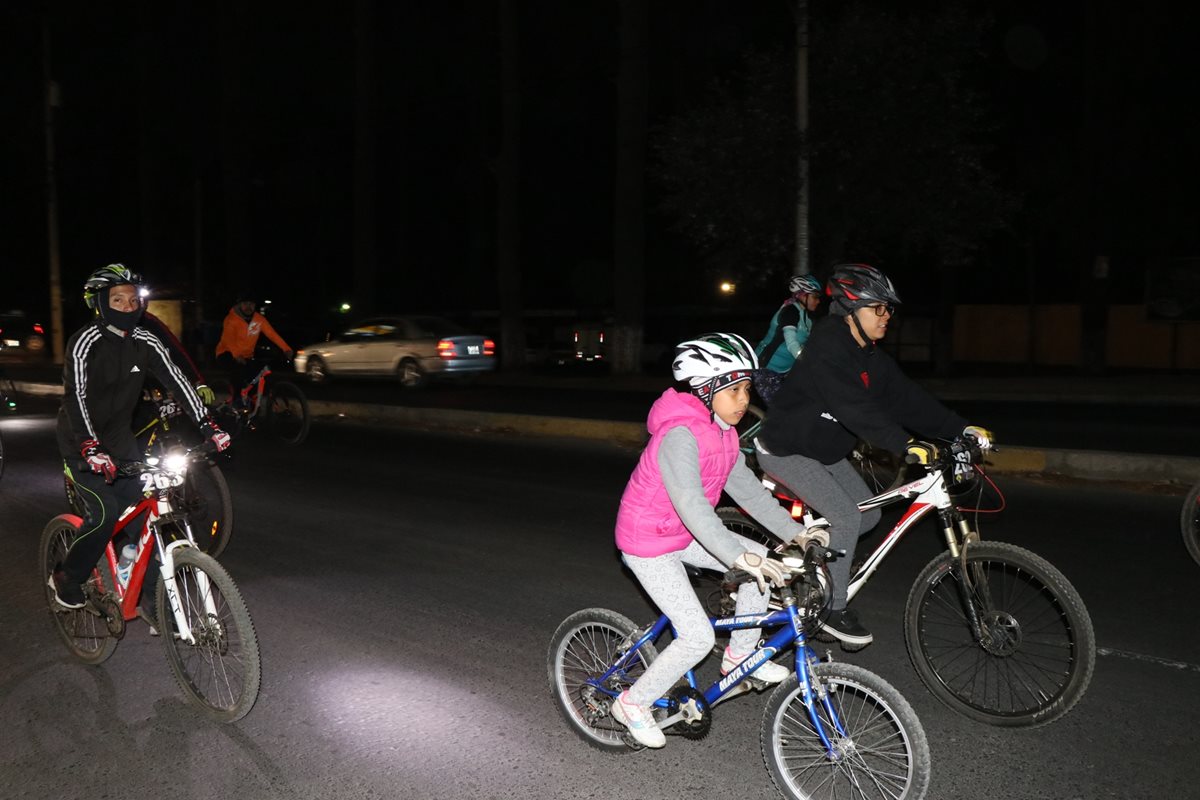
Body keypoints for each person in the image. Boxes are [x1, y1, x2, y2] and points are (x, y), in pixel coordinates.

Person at [755, 263, 992, 647]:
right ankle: (831, 609)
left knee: (869, 515)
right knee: (847, 515)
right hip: (785, 450)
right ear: (851, 311)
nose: (886, 317)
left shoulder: (869, 355)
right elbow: (853, 408)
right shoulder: (826, 348)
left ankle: (816, 555)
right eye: (878, 309)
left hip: (825, 452)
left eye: (889, 310)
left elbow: (907, 399)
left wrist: (960, 429)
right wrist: (904, 444)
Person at [610, 332, 826, 749]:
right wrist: (737, 555)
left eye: (747, 388)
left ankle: (740, 655)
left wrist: (796, 533)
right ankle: (632, 704)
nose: (744, 399)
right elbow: (695, 509)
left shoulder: (723, 433)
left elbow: (749, 493)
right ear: (706, 391)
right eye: (734, 389)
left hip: (679, 533)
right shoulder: (679, 437)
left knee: (761, 561)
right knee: (697, 635)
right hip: (647, 542)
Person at [48, 264, 232, 610]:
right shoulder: (84, 342)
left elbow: (177, 381)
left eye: (134, 300)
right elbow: (77, 397)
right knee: (104, 512)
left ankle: (151, 597)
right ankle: (68, 576)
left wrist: (209, 425)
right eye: (118, 300)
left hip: (120, 440)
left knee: (145, 509)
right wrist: (90, 446)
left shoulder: (146, 342)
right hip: (79, 440)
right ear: (101, 304)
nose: (129, 307)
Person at [753, 273, 823, 406]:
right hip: (766, 370)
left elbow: (811, 343)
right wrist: (808, 361)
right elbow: (792, 344)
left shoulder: (806, 318)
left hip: (786, 371)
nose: (818, 301)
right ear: (802, 295)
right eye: (815, 297)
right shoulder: (790, 312)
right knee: (781, 410)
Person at [215, 291, 293, 406]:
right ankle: (237, 400)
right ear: (240, 305)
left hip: (247, 356)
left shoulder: (259, 319)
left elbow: (272, 334)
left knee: (259, 372)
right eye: (245, 304)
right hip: (226, 353)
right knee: (238, 371)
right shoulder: (231, 319)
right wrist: (236, 355)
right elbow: (228, 339)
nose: (248, 307)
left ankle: (249, 400)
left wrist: (286, 349)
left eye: (251, 304)